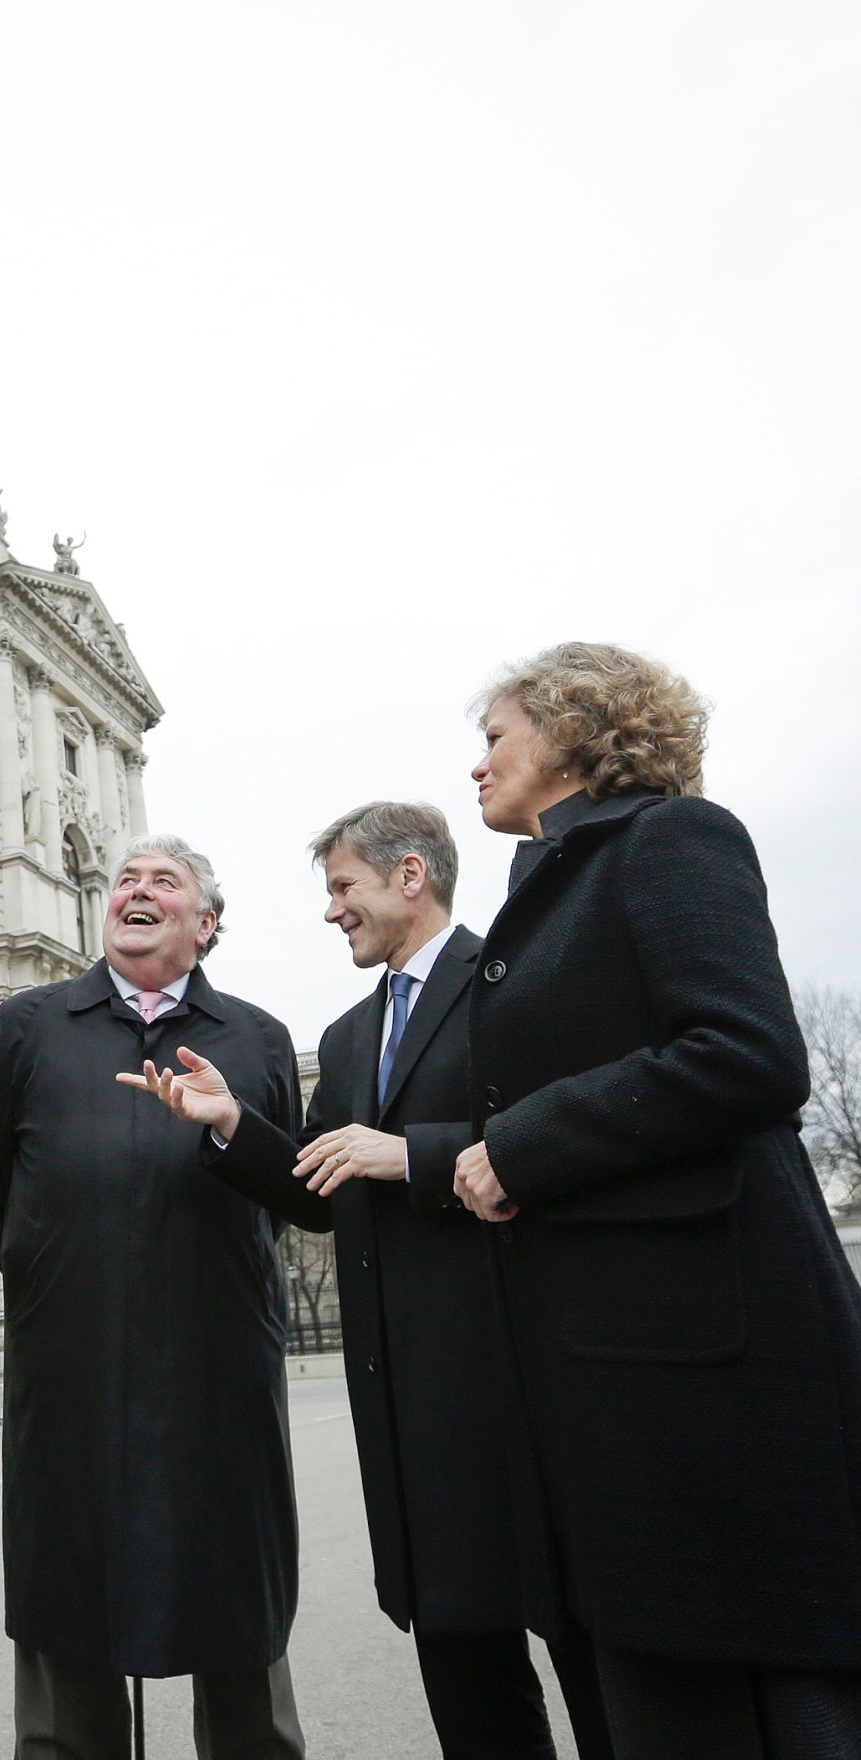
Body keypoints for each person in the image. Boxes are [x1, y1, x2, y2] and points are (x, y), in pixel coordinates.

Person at [123, 802, 611, 1760]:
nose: (331, 911)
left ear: (410, 875)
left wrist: (413, 1156)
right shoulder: (347, 1038)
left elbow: (569, 1145)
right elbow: (318, 1189)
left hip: (530, 1383)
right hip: (411, 1409)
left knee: (596, 1664)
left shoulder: (510, 984)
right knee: (466, 1673)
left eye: (343, 887)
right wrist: (230, 1125)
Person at [455, 641, 861, 1759]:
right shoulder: (548, 884)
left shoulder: (673, 835)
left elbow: (747, 1052)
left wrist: (518, 1146)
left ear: (574, 728)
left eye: (494, 737)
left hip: (707, 1376)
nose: (476, 767)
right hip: (620, 1373)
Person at [0, 833, 307, 1759]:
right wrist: (61, 1275)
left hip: (216, 1372)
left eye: (165, 882)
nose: (136, 891)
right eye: (124, 880)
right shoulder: (28, 1024)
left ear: (205, 924)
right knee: (65, 1606)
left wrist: (229, 1131)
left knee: (234, 1602)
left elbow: (295, 1197)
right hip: (67, 1367)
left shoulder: (256, 1038)